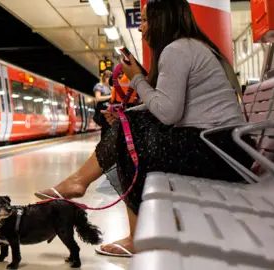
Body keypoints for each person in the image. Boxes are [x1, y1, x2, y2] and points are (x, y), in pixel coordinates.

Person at [35, 0, 255, 257]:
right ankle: (84, 188)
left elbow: (168, 113)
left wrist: (137, 78)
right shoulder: (189, 46)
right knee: (129, 127)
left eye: (146, 21)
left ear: (163, 20)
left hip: (220, 151)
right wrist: (125, 114)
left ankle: (97, 199)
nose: (142, 29)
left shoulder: (178, 50)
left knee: (132, 142)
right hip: (226, 146)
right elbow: (169, 105)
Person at [93, 70, 112, 138]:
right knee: (105, 129)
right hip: (102, 110)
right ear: (105, 78)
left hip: (110, 110)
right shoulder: (99, 86)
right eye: (108, 78)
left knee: (110, 129)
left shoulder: (111, 87)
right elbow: (98, 98)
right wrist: (110, 96)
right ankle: (104, 145)